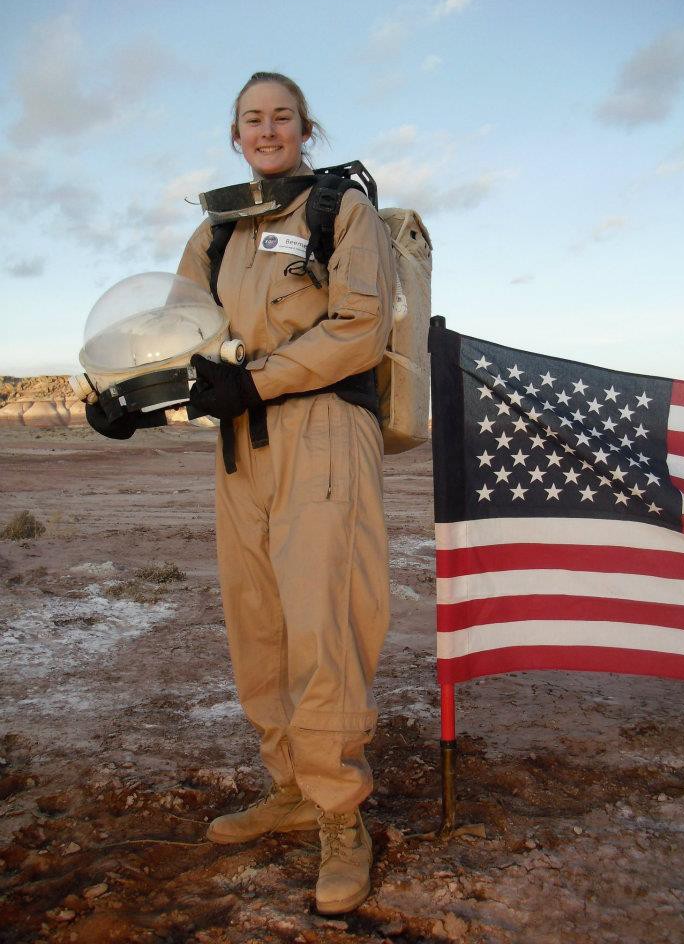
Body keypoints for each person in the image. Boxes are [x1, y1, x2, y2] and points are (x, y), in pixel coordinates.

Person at [176, 72, 394, 914]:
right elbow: (177, 332)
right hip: (242, 442)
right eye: (252, 120)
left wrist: (258, 381)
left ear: (306, 129)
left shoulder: (342, 211)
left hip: (323, 428)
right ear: (235, 136)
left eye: (282, 118)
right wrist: (125, 396)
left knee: (322, 620)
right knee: (258, 622)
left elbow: (360, 327)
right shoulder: (215, 231)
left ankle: (340, 813)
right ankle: (292, 789)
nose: (267, 131)